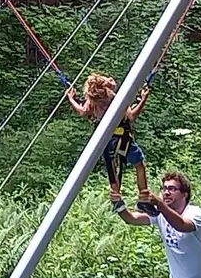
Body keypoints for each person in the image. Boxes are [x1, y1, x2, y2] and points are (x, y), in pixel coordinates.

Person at [64, 73, 156, 221]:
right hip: (123, 137)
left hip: (106, 141)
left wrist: (70, 99)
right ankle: (143, 196)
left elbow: (82, 112)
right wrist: (143, 99)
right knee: (139, 164)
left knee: (112, 169)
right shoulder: (117, 100)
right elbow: (131, 116)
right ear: (106, 88)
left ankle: (116, 198)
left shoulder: (92, 103)